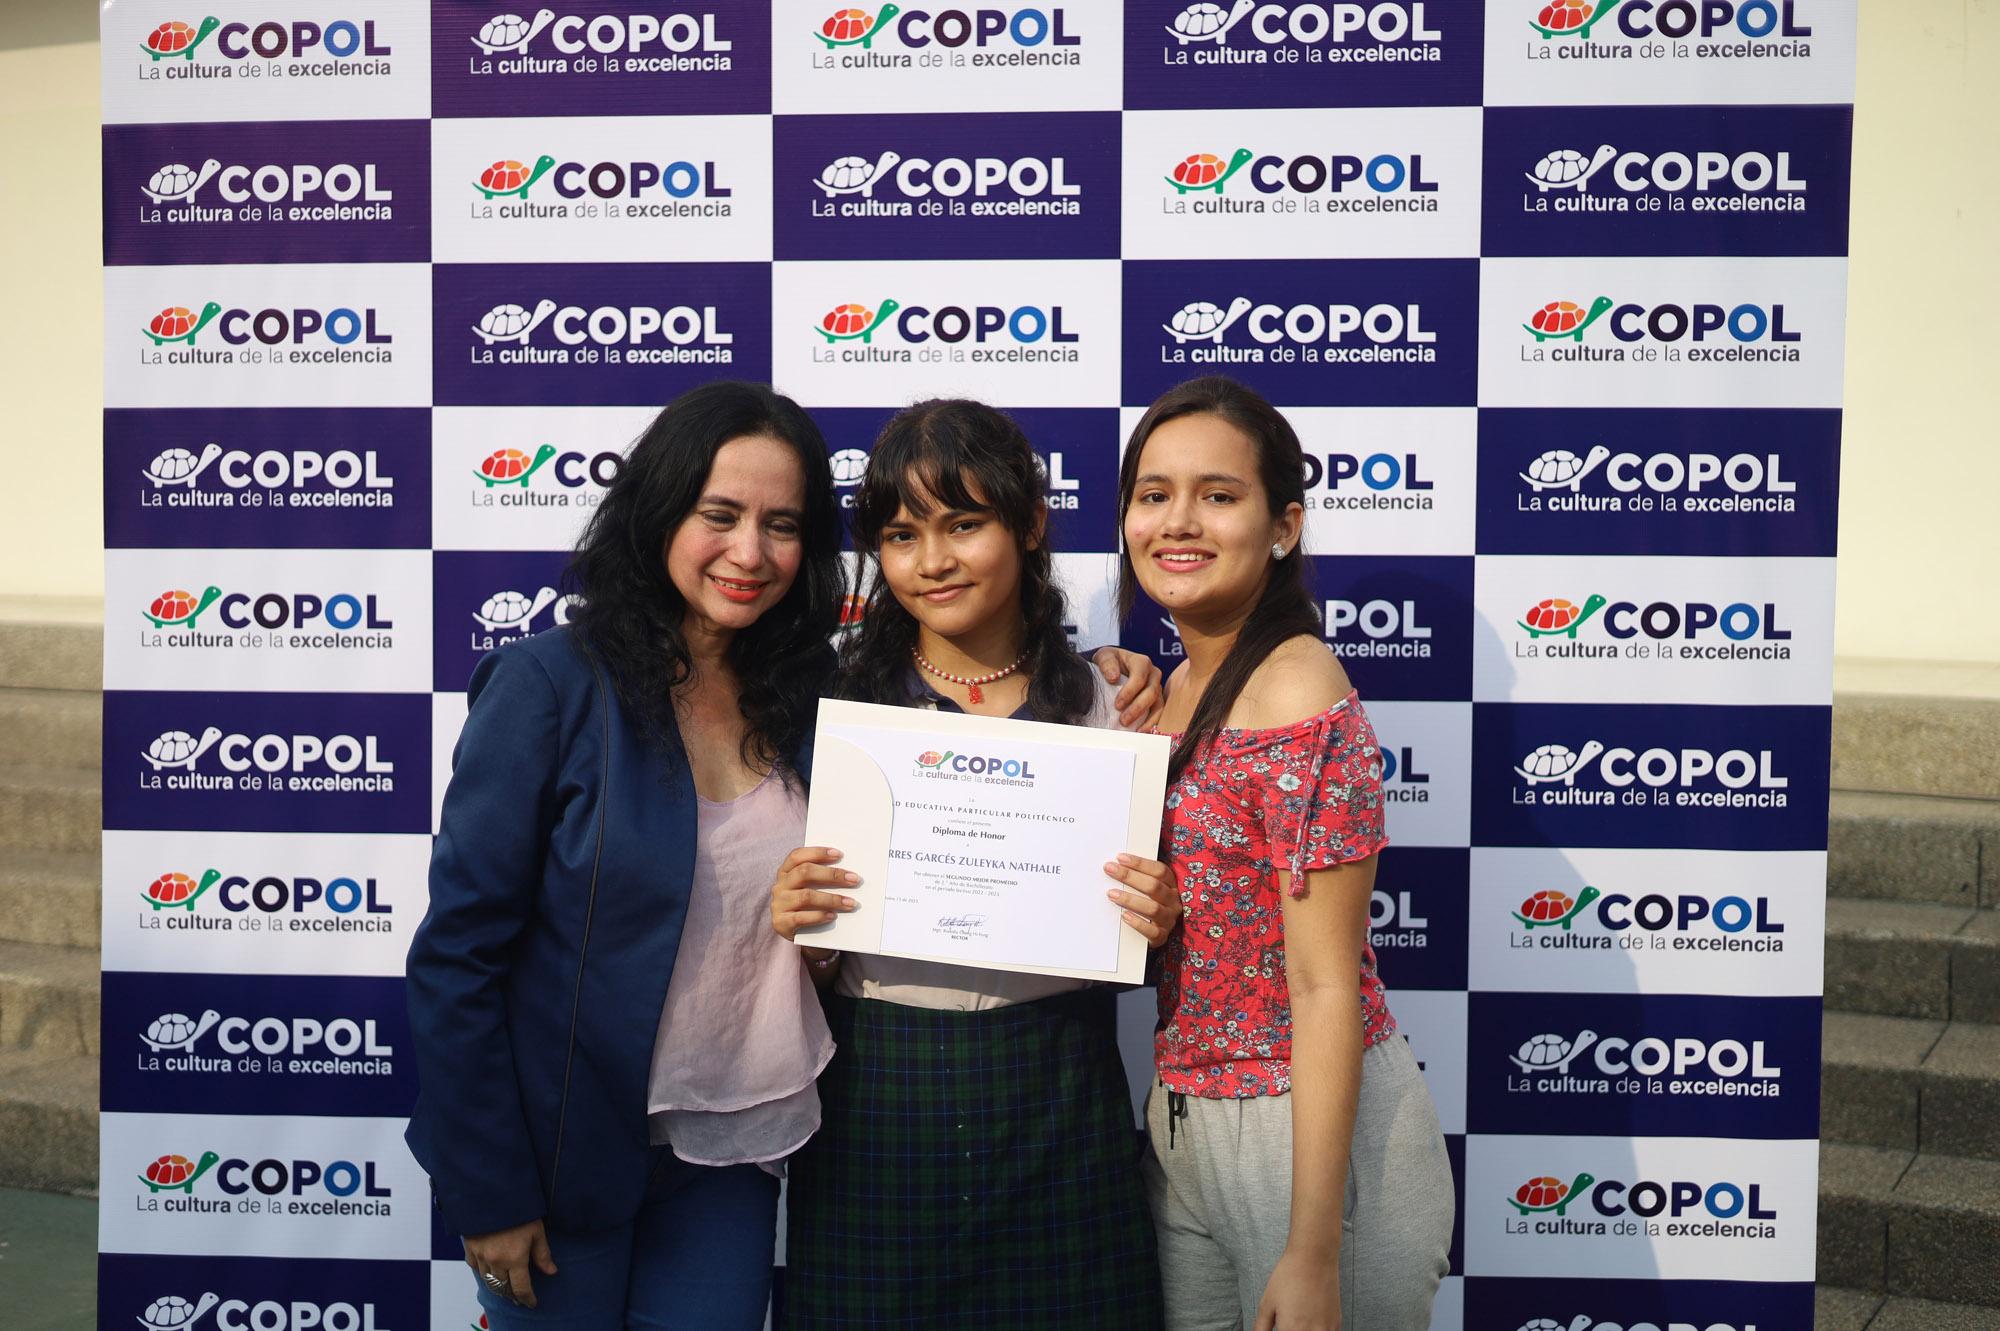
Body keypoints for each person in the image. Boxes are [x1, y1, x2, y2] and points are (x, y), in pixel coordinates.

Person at [406, 382, 1160, 1331]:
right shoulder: (548, 684)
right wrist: (488, 1186)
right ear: (659, 510)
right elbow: (458, 954)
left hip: (737, 1153)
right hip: (568, 1157)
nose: (750, 551)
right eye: (719, 515)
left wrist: (1113, 674)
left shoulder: (811, 690)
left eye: (783, 524)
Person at [769, 399, 1177, 1330]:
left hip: (1059, 1089)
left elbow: (1137, 946)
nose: (933, 560)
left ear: (1029, 523)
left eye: (963, 524)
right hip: (876, 1087)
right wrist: (803, 930)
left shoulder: (1111, 705)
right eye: (901, 535)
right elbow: (796, 958)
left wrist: (1156, 919)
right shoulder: (830, 701)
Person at [1118, 377, 1453, 1331]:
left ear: (1283, 526)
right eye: (1153, 493)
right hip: (1184, 1113)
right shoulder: (1173, 687)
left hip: (1304, 1133)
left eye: (1219, 495)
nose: (1179, 521)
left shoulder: (1298, 692)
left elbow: (1324, 983)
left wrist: (1313, 1248)